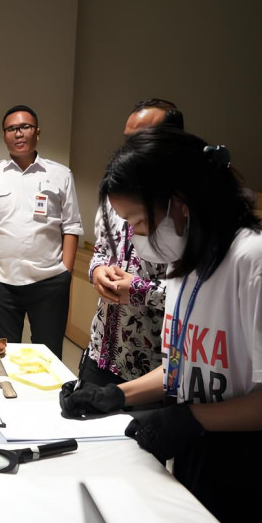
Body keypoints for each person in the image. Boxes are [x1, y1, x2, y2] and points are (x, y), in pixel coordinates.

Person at [60, 128, 262, 523]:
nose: (137, 236)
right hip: (203, 456)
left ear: (180, 204)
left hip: (259, 473)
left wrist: (189, 418)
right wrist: (117, 394)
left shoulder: (258, 262)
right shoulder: (187, 264)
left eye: (140, 221)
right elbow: (183, 366)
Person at [0, 105, 81, 358]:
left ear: (37, 132)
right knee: (4, 353)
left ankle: (49, 397)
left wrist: (66, 272)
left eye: (25, 127)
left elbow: (71, 226)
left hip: (50, 280)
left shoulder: (60, 174)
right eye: (11, 129)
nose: (18, 133)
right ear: (4, 135)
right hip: (2, 280)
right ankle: (9, 397)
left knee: (48, 353)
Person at [84, 98, 184, 384]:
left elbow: (198, 297)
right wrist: (98, 270)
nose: (130, 151)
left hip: (153, 368)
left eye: (141, 140)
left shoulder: (185, 210)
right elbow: (102, 250)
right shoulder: (113, 191)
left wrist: (139, 290)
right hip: (100, 350)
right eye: (128, 141)